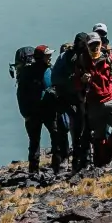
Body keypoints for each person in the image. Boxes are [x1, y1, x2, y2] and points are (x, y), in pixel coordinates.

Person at [13, 46, 68, 177]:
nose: (49, 58)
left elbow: (21, 95)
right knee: (51, 139)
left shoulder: (29, 73)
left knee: (37, 142)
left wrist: (26, 114)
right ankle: (55, 169)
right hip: (43, 112)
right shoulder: (47, 70)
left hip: (37, 113)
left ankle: (36, 171)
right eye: (47, 56)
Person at [81, 32, 112, 165]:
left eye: (97, 44)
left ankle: (107, 151)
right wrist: (82, 80)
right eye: (92, 45)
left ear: (101, 44)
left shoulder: (110, 58)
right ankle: (100, 163)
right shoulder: (82, 61)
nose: (95, 47)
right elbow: (76, 82)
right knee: (99, 134)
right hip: (94, 103)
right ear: (87, 46)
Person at [59, 35, 92, 174]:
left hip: (82, 99)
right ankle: (81, 162)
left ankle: (81, 162)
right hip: (77, 100)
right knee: (80, 132)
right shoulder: (70, 58)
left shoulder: (73, 57)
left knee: (81, 132)